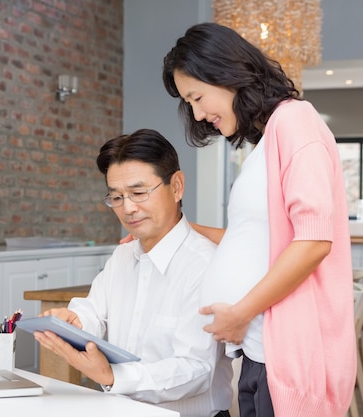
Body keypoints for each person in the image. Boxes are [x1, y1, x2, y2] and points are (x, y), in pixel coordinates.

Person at [161, 22, 356, 417]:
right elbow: (253, 240)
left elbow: (314, 240)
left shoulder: (295, 120)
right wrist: (177, 230)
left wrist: (242, 312)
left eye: (197, 97)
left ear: (226, 73)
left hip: (285, 356)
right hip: (258, 352)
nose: (198, 114)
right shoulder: (267, 141)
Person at [33, 128, 233, 417]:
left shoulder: (204, 265)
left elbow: (196, 370)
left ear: (176, 187)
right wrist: (75, 321)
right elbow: (94, 310)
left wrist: (114, 377)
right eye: (116, 197)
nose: (128, 209)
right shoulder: (123, 256)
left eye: (139, 193)